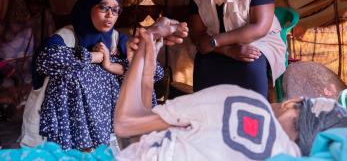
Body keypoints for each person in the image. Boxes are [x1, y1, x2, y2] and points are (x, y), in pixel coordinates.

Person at [113, 18, 347, 161]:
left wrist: (149, 39)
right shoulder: (278, 154)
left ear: (292, 103)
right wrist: (148, 56)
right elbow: (145, 135)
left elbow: (128, 127)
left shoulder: (238, 105)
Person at [26, 0, 164, 151]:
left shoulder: (117, 40)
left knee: (138, 78)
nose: (110, 15)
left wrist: (111, 66)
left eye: (115, 10)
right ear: (87, 7)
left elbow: (155, 73)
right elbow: (45, 61)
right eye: (104, 8)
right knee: (70, 73)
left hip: (113, 125)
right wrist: (94, 57)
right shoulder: (66, 36)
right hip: (73, 130)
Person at [188, 0, 286, 97]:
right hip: (219, 47)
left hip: (258, 41)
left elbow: (259, 28)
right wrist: (227, 50)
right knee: (203, 62)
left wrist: (216, 41)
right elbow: (198, 36)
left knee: (250, 63)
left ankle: (254, 114)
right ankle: (208, 116)